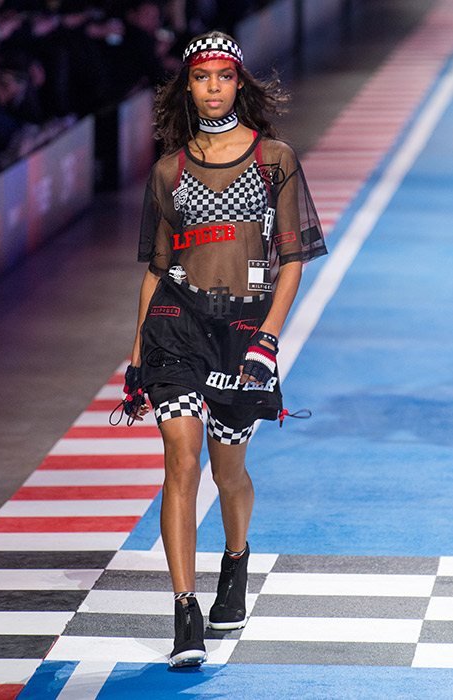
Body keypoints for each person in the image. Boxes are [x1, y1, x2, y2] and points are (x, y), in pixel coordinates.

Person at [119, 30, 327, 668]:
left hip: (241, 335)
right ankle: (185, 612)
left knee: (226, 470)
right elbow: (157, 271)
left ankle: (235, 563)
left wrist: (268, 338)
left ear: (239, 82)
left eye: (224, 76)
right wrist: (136, 357)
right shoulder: (169, 171)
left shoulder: (274, 160)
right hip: (176, 325)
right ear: (187, 87)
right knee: (180, 461)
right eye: (201, 77)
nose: (213, 87)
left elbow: (291, 260)